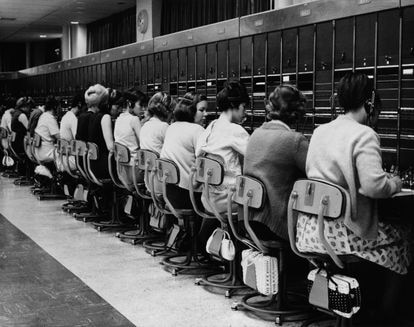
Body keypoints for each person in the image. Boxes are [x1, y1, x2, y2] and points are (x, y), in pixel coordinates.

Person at [295, 72, 410, 322]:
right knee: (404, 238)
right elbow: (372, 186)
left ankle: (363, 303)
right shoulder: (364, 134)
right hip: (340, 235)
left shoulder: (320, 131)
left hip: (309, 229)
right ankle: (387, 315)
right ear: (370, 105)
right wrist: (394, 183)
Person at [243, 85, 308, 241]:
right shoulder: (295, 140)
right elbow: (316, 174)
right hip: (276, 225)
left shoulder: (255, 134)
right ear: (297, 112)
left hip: (247, 219)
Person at [196, 79, 250, 214]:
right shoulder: (234, 130)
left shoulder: (211, 126)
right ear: (233, 105)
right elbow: (257, 157)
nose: (246, 112)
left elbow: (198, 155)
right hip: (228, 200)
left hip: (208, 198)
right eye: (244, 107)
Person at [160, 96, 205, 208]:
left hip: (169, 191)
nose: (205, 114)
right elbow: (203, 164)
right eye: (201, 110)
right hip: (189, 196)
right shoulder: (198, 130)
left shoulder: (171, 127)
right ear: (191, 112)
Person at [114, 90, 148, 188]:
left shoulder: (118, 118)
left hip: (122, 171)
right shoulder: (134, 119)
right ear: (130, 103)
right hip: (135, 171)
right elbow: (144, 143)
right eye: (140, 105)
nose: (143, 108)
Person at [85, 84, 113, 179]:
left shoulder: (92, 116)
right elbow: (111, 147)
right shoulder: (105, 117)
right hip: (103, 167)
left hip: (91, 164)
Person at [33, 96, 60, 164]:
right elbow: (59, 137)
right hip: (46, 152)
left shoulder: (43, 115)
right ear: (55, 107)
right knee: (67, 155)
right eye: (59, 107)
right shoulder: (50, 118)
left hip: (38, 151)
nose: (60, 109)